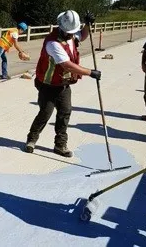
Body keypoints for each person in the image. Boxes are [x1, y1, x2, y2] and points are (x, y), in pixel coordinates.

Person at [24, 10, 101, 158]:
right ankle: (31, 139)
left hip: (63, 84)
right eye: (70, 32)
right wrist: (90, 72)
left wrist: (87, 24)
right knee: (45, 113)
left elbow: (83, 35)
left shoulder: (70, 36)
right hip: (47, 84)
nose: (73, 34)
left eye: (73, 32)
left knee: (65, 112)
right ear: (62, 29)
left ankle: (60, 145)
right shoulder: (53, 43)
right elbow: (67, 65)